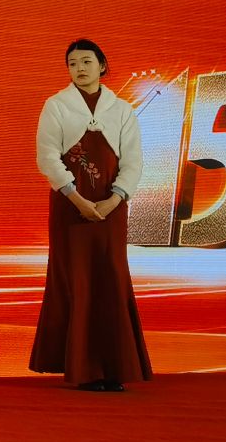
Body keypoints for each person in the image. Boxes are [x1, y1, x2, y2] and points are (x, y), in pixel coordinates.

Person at [30, 38, 152, 393]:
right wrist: (77, 199)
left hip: (112, 208)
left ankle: (114, 369)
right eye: (72, 63)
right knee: (76, 279)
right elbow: (47, 157)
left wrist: (115, 200)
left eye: (86, 61)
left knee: (111, 277)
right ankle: (84, 370)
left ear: (102, 65)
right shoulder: (56, 106)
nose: (79, 68)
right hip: (70, 207)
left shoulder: (122, 110)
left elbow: (133, 162)